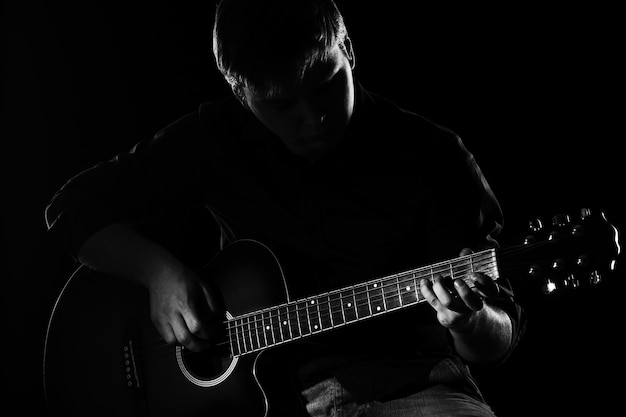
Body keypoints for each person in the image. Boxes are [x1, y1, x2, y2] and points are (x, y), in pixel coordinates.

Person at [45, 0, 526, 415]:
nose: (312, 119)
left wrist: (471, 320)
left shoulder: (436, 158)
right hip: (255, 401)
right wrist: (157, 274)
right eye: (280, 105)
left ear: (349, 51)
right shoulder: (215, 138)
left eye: (325, 85)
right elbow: (72, 210)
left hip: (412, 386)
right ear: (242, 94)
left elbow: (497, 337)